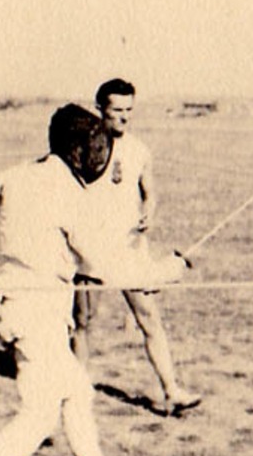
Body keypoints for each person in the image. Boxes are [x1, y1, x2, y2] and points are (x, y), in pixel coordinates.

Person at [0, 104, 189, 456]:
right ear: (77, 149)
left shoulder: (27, 173)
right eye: (93, 147)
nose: (99, 157)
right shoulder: (67, 193)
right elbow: (106, 267)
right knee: (39, 414)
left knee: (76, 390)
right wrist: (168, 271)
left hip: (23, 298)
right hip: (34, 305)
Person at [71, 78, 201, 415]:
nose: (124, 117)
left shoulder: (139, 149)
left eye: (129, 110)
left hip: (128, 251)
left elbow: (150, 192)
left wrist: (150, 211)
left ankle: (172, 391)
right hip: (91, 252)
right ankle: (76, 390)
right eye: (117, 110)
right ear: (101, 108)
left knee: (150, 319)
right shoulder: (82, 146)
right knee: (84, 322)